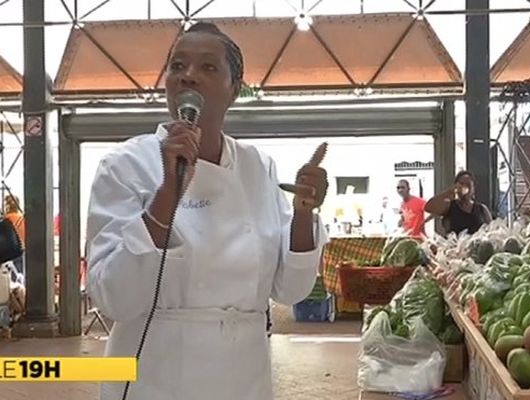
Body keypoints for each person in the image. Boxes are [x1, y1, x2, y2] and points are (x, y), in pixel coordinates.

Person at [85, 21, 329, 400]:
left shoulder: (257, 167)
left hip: (242, 376)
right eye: (177, 66)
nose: (189, 77)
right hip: (155, 375)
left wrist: (302, 215)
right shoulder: (125, 166)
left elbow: (290, 290)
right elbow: (113, 297)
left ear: (235, 88)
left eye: (208, 67)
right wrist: (168, 193)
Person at [425, 171, 492, 236]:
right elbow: (428, 207)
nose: (465, 187)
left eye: (468, 185)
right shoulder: (450, 206)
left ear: (473, 188)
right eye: (461, 184)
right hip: (454, 246)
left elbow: (492, 231)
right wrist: (449, 192)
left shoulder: (482, 209)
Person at [4, 195, 25, 281]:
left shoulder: (5, 220)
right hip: (20, 250)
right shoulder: (22, 219)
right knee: (19, 277)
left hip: (7, 252)